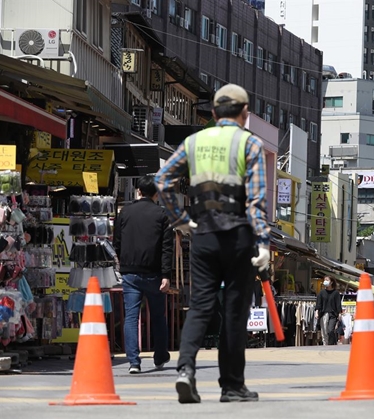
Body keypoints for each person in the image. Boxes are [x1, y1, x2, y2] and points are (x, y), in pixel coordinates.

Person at [155, 84, 270, 404]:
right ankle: (232, 386)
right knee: (234, 312)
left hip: (202, 234)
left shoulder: (194, 142)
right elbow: (257, 201)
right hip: (237, 235)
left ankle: (186, 371)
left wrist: (179, 220)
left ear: (215, 113)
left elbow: (162, 180)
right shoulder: (249, 143)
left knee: (201, 307)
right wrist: (263, 243)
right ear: (244, 113)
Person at [113, 175, 172, 374]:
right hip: (155, 274)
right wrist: (166, 275)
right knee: (158, 316)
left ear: (138, 191)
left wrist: (122, 262)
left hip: (130, 273)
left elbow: (117, 242)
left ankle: (133, 362)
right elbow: (166, 248)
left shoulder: (125, 212)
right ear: (157, 194)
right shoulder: (162, 215)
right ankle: (160, 356)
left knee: (131, 317)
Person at [314, 276, 342, 345]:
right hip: (323, 314)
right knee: (324, 332)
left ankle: (331, 344)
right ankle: (325, 345)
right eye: (324, 280)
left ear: (331, 282)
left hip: (333, 314)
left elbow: (338, 304)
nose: (325, 281)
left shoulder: (336, 293)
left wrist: (339, 314)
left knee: (330, 330)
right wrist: (317, 312)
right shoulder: (321, 293)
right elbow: (318, 304)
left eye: (327, 280)